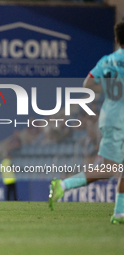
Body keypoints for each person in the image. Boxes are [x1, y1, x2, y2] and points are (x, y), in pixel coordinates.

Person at [49, 21, 124, 224]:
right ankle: (63, 186)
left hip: (110, 117)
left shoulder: (107, 60)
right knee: (108, 170)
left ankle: (119, 212)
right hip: (121, 119)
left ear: (117, 39)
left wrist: (108, 89)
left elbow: (87, 84)